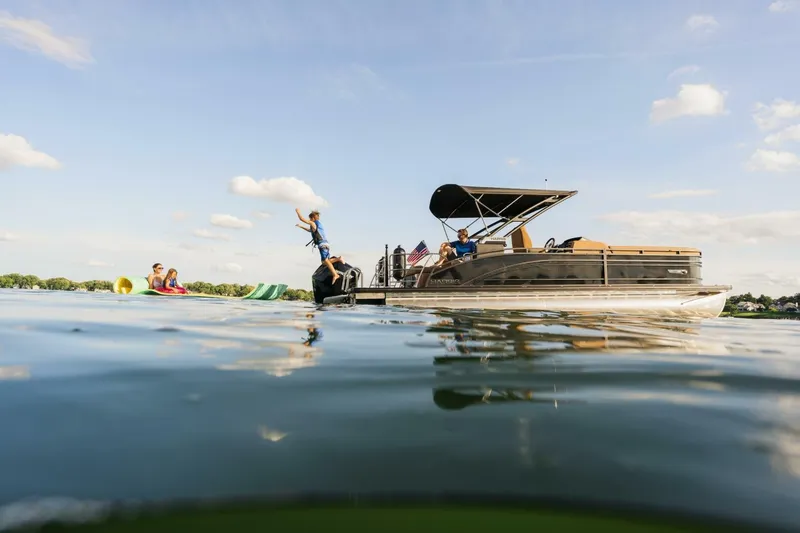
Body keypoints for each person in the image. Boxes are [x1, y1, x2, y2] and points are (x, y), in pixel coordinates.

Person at [295, 208, 343, 284]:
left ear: (313, 218)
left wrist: (298, 212)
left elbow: (302, 219)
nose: (309, 220)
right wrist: (300, 226)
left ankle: (335, 274)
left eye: (310, 218)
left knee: (326, 261)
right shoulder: (316, 225)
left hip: (322, 245)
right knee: (324, 262)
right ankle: (338, 259)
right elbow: (309, 230)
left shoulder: (313, 223)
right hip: (325, 244)